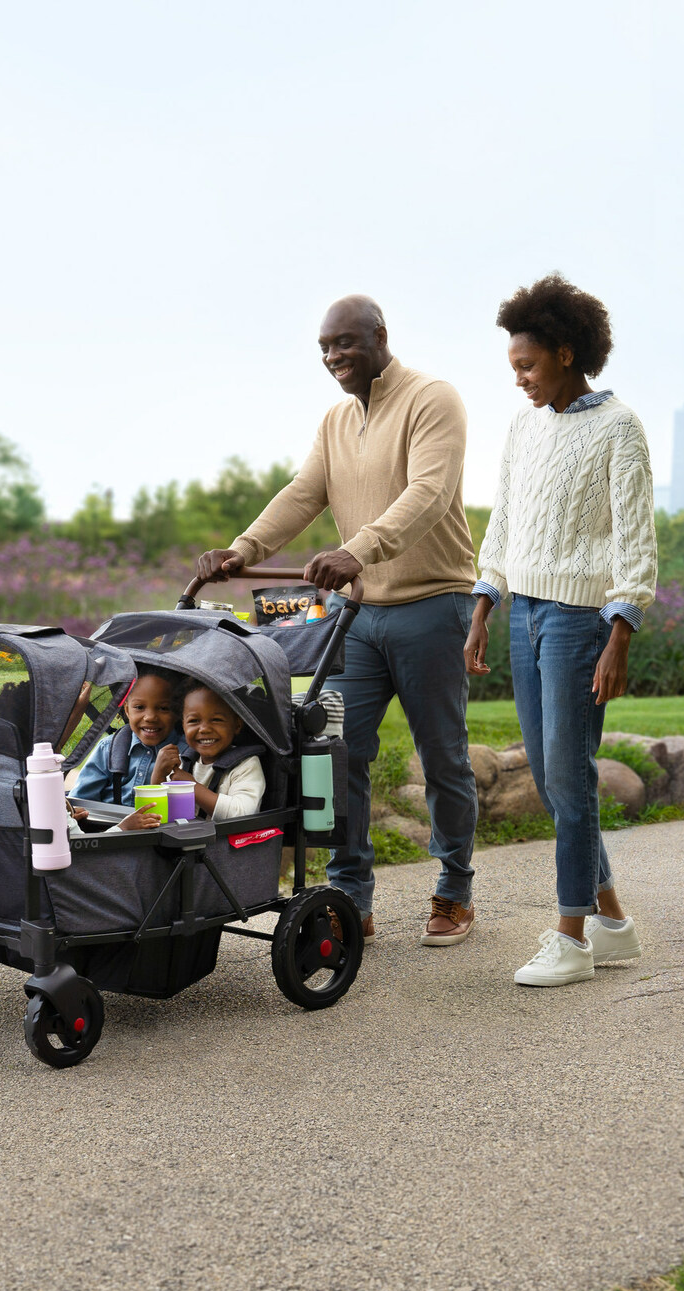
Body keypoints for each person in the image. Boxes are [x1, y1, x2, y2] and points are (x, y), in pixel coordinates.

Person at [196, 296, 479, 943]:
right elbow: (303, 494)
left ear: (381, 336)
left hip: (433, 606)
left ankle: (454, 890)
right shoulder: (334, 421)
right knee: (335, 752)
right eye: (324, 348)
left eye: (344, 344)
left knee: (444, 757)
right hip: (357, 617)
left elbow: (428, 494)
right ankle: (352, 894)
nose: (332, 358)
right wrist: (242, 550)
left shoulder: (433, 399)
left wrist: (360, 548)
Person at [463, 273, 655, 987]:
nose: (520, 380)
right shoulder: (522, 427)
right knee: (552, 779)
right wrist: (485, 605)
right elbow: (506, 520)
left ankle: (571, 936)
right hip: (527, 615)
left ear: (567, 354)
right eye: (514, 368)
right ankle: (612, 923)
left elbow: (636, 539)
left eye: (528, 366)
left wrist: (620, 631)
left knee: (570, 784)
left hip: (581, 623)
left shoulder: (618, 427)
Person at [117, 682, 267, 827]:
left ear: (237, 724)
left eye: (216, 720)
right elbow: (154, 815)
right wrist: (158, 776)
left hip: (225, 849)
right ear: (183, 725)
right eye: (194, 721)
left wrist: (192, 786)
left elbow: (241, 814)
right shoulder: (186, 761)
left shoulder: (246, 765)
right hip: (183, 846)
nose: (204, 729)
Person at [70, 671, 186, 829]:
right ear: (127, 710)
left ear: (177, 712)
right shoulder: (109, 749)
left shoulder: (185, 753)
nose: (150, 717)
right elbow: (80, 801)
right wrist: (75, 813)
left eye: (163, 708)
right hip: (111, 835)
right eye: (139, 707)